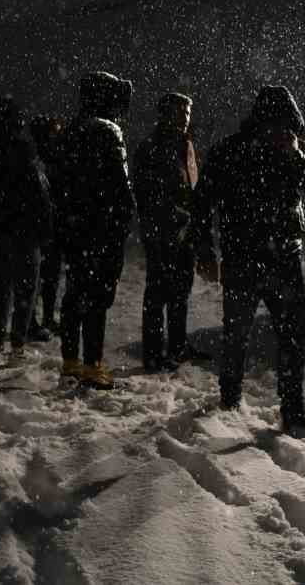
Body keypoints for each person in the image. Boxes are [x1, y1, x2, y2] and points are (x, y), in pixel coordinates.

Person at [194, 85, 305, 437]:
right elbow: (202, 204)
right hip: (242, 255)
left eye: (285, 124)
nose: (279, 130)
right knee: (237, 332)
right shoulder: (230, 150)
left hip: (285, 256)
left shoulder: (295, 148)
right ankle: (230, 397)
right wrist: (206, 254)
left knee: (293, 335)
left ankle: (293, 409)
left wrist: (295, 156)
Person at [53, 71, 136, 389]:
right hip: (102, 231)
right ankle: (93, 365)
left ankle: (70, 361)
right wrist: (122, 223)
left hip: (76, 231)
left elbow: (59, 183)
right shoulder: (108, 131)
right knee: (98, 298)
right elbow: (120, 187)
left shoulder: (71, 130)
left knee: (75, 295)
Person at [0, 95, 53, 362]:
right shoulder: (25, 150)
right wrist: (44, 227)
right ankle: (17, 346)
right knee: (25, 290)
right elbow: (39, 193)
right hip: (25, 232)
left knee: (0, 289)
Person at [131, 92, 208, 372]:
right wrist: (173, 218)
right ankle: (153, 353)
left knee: (180, 291)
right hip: (163, 232)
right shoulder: (153, 147)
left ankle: (177, 345)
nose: (185, 118)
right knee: (159, 293)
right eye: (181, 112)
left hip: (183, 231)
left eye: (187, 112)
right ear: (166, 113)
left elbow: (189, 186)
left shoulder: (183, 144)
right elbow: (148, 193)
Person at [27, 114, 68, 342]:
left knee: (48, 276)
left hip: (51, 225)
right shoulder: (35, 158)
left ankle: (45, 318)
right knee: (38, 278)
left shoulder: (52, 156)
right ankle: (33, 321)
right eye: (55, 131)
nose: (58, 135)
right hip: (42, 226)